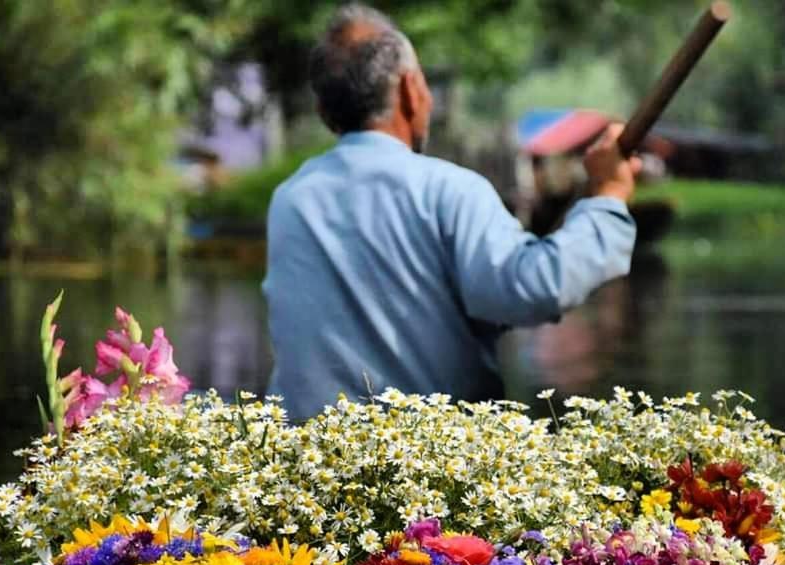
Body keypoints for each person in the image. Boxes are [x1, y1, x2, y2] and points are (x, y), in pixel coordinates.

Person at [263, 4, 641, 420]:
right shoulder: (448, 189)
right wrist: (607, 198)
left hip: (311, 463)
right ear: (410, 90)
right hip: (431, 468)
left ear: (323, 112)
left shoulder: (290, 199)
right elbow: (534, 289)